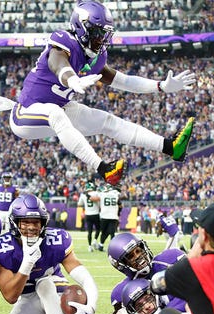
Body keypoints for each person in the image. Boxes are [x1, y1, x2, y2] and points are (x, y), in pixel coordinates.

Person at [11, 0, 195, 186]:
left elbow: (124, 81)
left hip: (59, 107)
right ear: (81, 27)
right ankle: (104, 169)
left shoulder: (96, 58)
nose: (101, 40)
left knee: (107, 121)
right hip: (25, 113)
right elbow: (57, 63)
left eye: (104, 34)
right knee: (55, 113)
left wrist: (161, 86)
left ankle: (170, 147)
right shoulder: (64, 41)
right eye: (98, 33)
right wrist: (72, 79)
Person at [0, 194, 98, 314]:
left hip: (55, 289)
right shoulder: (2, 247)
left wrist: (92, 305)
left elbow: (84, 276)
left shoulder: (56, 240)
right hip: (28, 295)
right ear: (14, 223)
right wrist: (28, 262)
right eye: (25, 222)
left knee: (44, 284)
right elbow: (10, 296)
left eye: (36, 222)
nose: (31, 227)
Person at [107, 232, 188, 314]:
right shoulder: (121, 292)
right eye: (130, 256)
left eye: (138, 251)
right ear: (121, 265)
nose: (138, 256)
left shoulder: (170, 258)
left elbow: (196, 285)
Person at [94, 184, 122, 251]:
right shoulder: (115, 194)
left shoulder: (102, 194)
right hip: (113, 216)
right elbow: (120, 204)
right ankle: (112, 247)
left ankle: (101, 245)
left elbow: (94, 198)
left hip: (104, 215)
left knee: (104, 232)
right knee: (112, 232)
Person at [77, 182, 101, 252]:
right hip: (96, 214)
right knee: (98, 229)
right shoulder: (96, 193)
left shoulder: (83, 195)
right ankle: (95, 240)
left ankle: (90, 246)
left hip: (88, 215)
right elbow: (99, 200)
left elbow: (79, 204)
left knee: (89, 232)